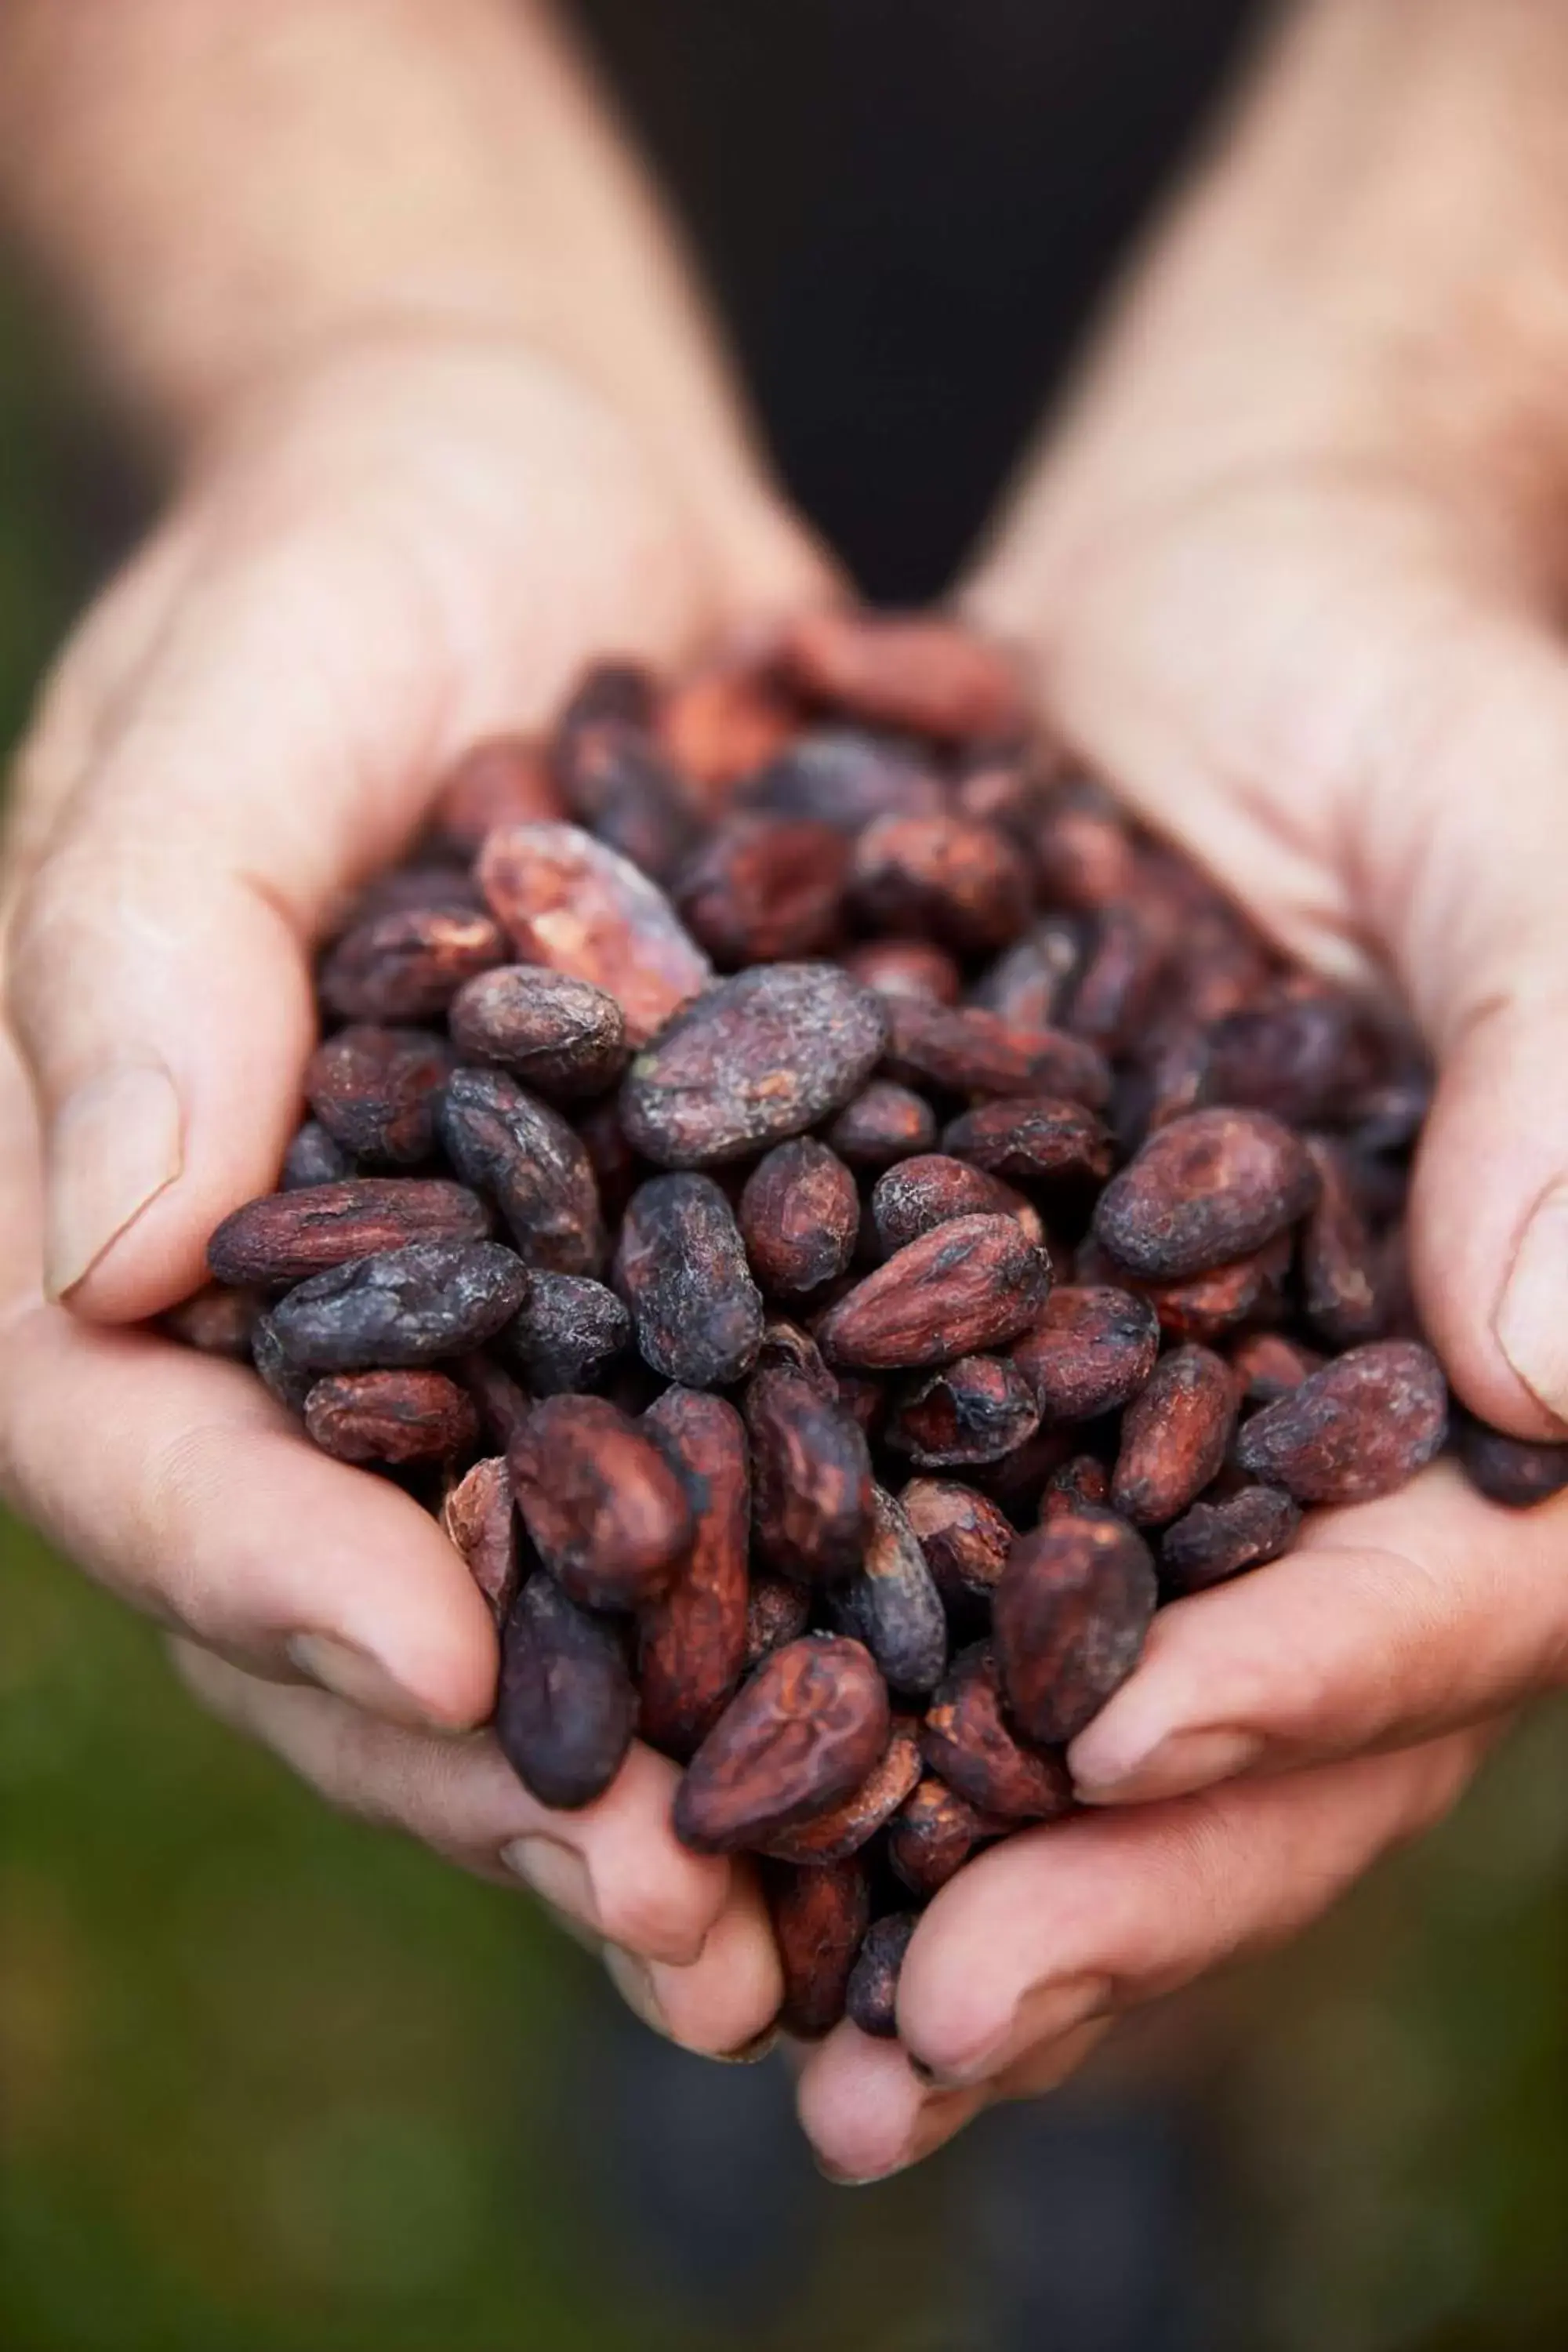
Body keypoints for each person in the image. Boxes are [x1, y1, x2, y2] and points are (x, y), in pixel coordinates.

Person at [1, 0, 1566, 2190]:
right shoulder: (646, 1158)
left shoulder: (1066, 1181)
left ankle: (1122, 2108)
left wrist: (1390, 426)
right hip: (488, 241)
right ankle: (713, 1999)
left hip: (1238, 274)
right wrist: (361, 340)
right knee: (606, 1716)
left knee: (1217, 1730)